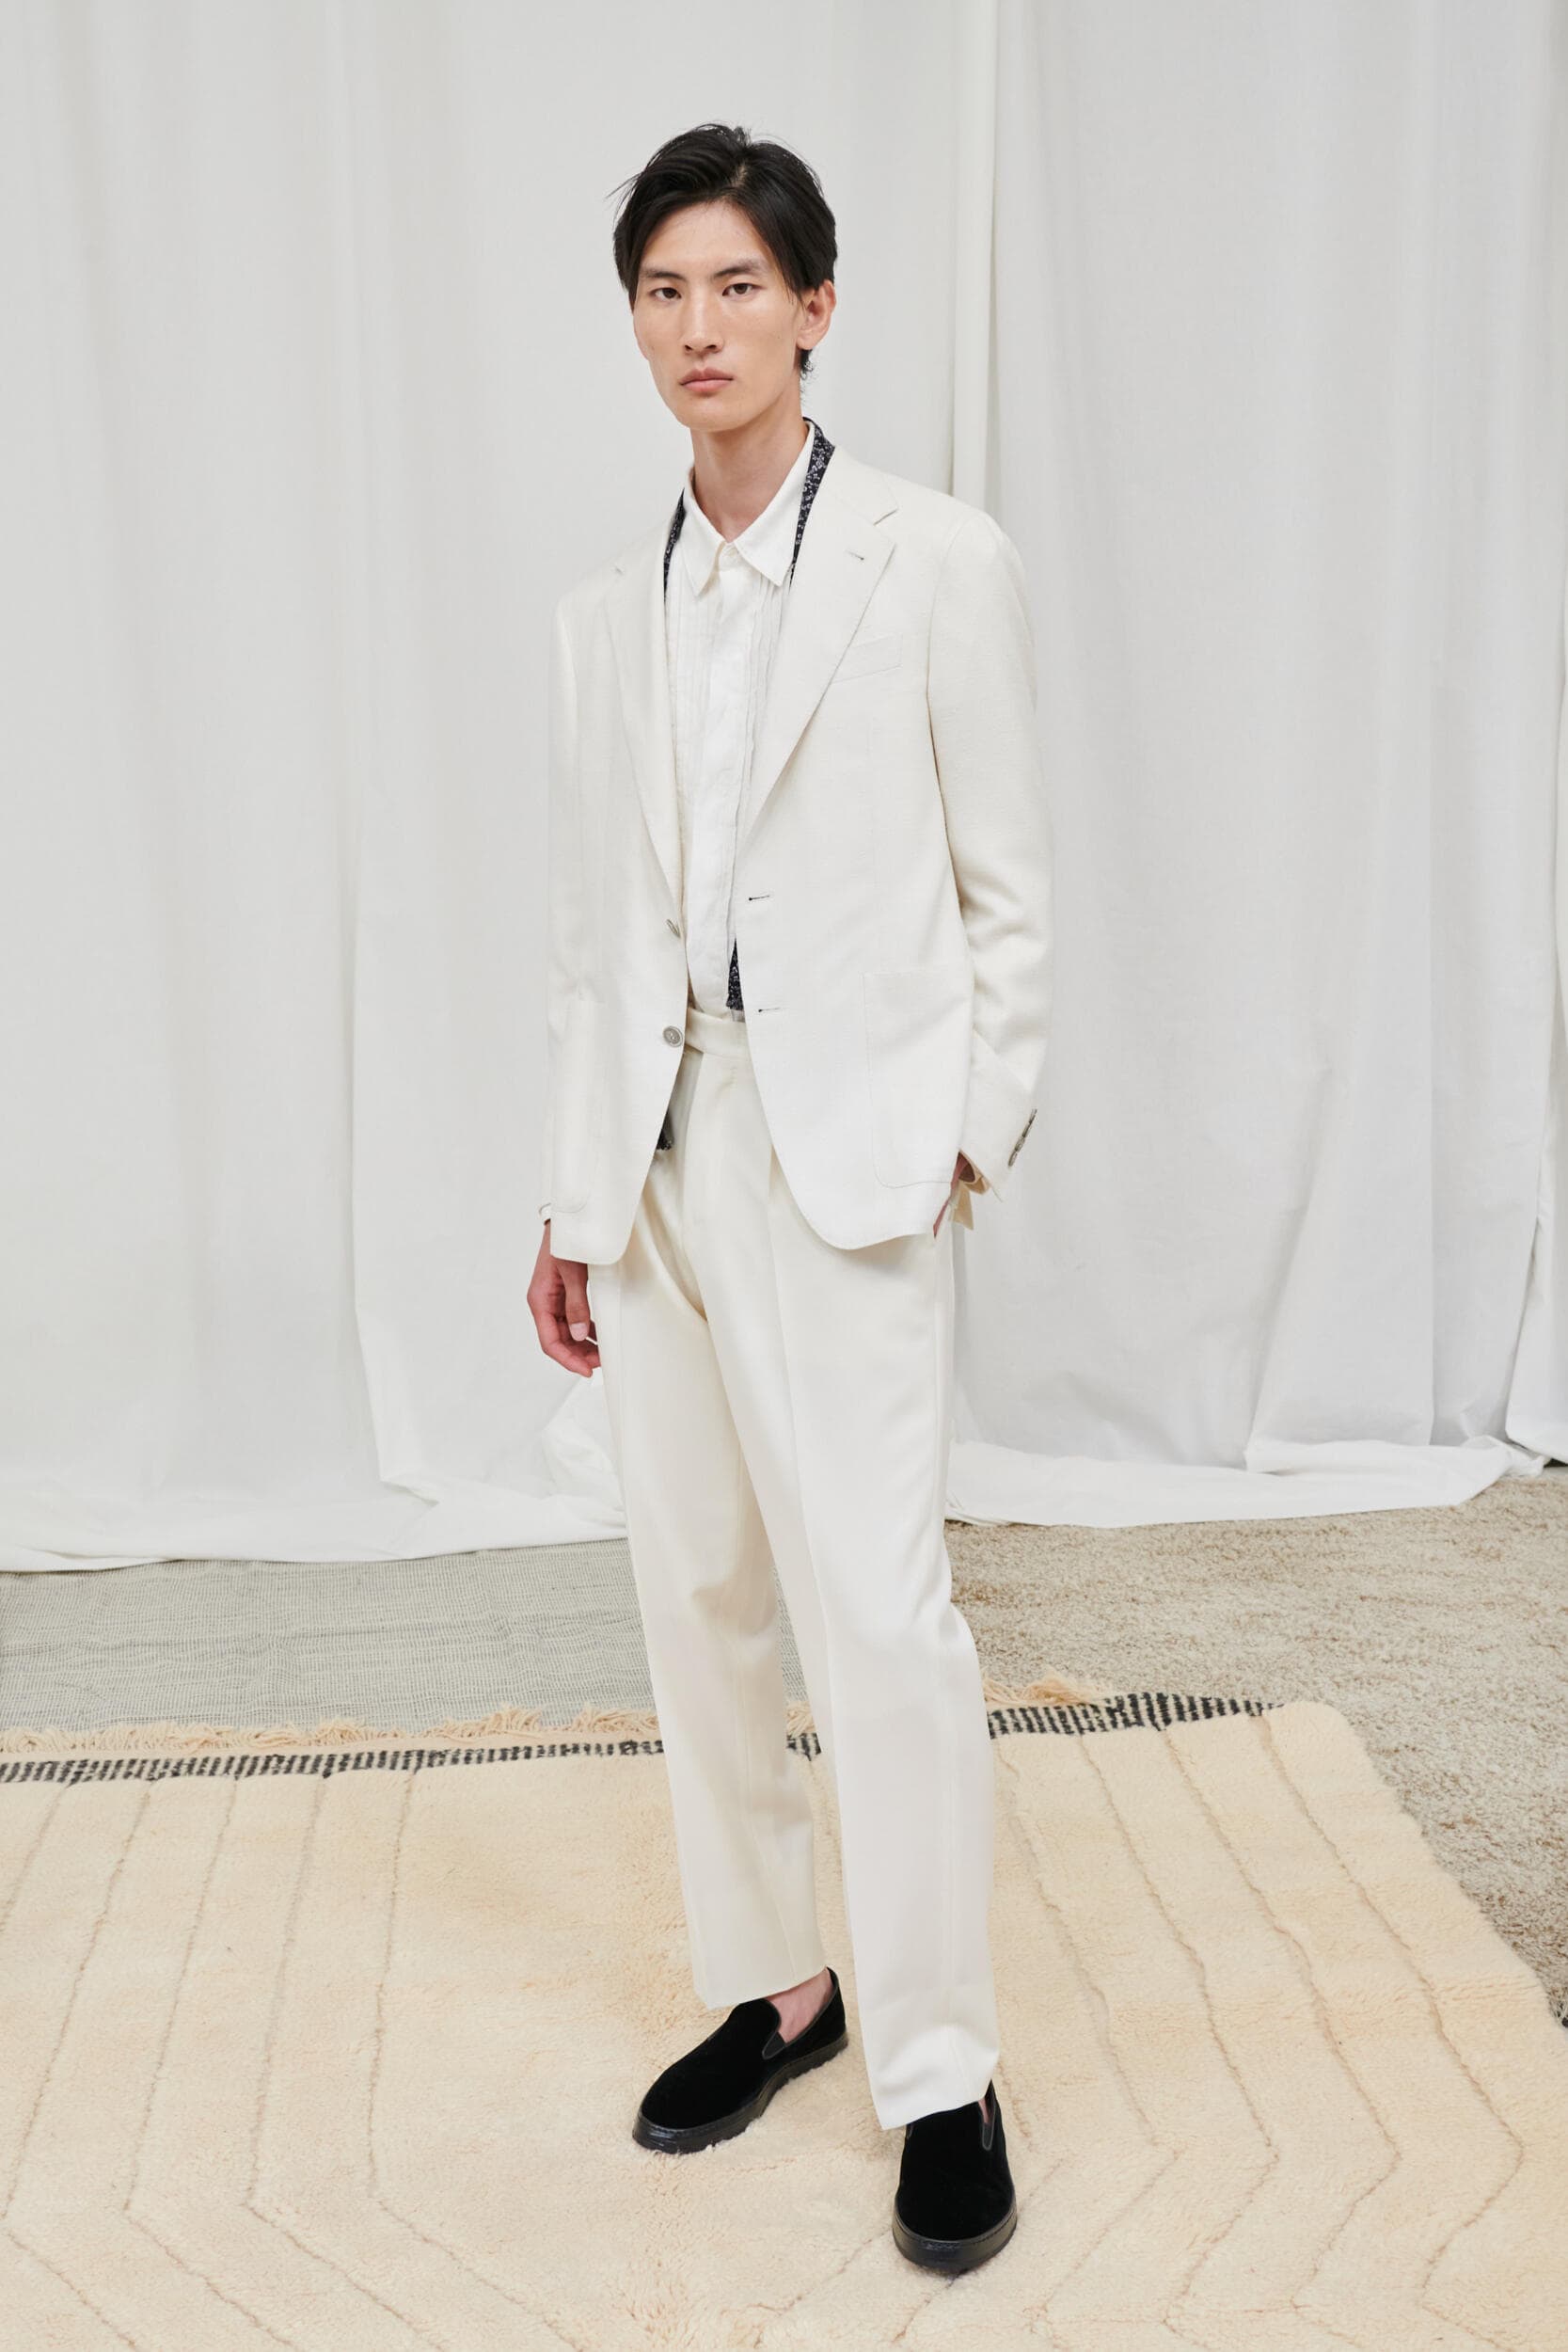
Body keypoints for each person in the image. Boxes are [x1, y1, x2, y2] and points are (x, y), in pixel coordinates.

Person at [528, 120, 1051, 2276]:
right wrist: (571, 1195)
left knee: (882, 1615)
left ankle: (942, 2064)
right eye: (664, 290)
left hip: (849, 1158)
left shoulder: (935, 560)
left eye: (737, 285)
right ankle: (778, 1985)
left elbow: (1010, 898)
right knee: (700, 1596)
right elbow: (595, 939)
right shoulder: (601, 615)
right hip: (658, 1156)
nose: (699, 326)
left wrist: (960, 1136)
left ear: (816, 308)